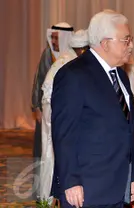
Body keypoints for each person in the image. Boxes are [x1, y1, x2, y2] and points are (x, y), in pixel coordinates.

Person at [51, 10, 134, 208]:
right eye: (126, 40)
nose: (131, 45)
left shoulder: (120, 76)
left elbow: (127, 130)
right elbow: (64, 134)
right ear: (106, 42)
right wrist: (71, 181)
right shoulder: (73, 75)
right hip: (86, 188)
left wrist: (133, 173)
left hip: (118, 185)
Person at [39, 29, 89, 200]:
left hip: (52, 107)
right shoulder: (70, 62)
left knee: (51, 153)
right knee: (53, 153)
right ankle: (48, 196)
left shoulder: (66, 57)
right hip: (54, 109)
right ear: (83, 49)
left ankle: (48, 196)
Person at [31, 22, 73, 199]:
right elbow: (38, 81)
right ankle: (40, 189)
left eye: (57, 37)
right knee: (42, 150)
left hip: (60, 111)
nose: (54, 41)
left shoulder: (70, 57)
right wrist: (36, 106)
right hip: (46, 111)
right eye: (53, 37)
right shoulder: (48, 54)